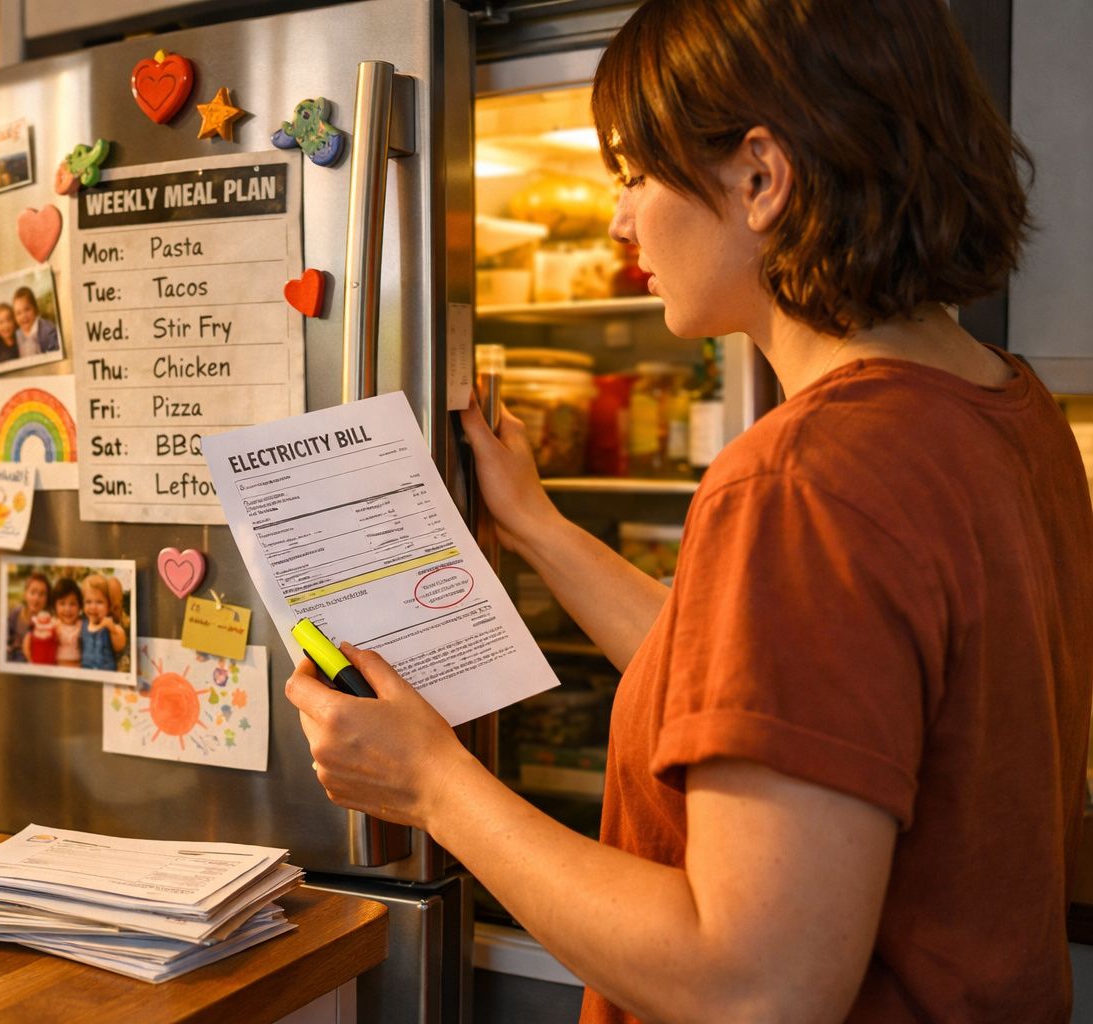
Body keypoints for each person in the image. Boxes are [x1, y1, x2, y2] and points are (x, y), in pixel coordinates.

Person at [285, 1, 1093, 1021]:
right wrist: (535, 525)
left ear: (761, 177)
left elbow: (753, 982)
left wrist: (433, 785)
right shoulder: (1009, 409)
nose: (620, 221)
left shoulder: (806, 478)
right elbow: (769, 685)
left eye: (633, 173)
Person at [79, 573, 128, 672]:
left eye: (99, 602)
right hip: (85, 671)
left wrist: (113, 630)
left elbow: (120, 646)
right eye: (88, 602)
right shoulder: (83, 624)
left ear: (109, 605)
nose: (93, 607)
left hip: (106, 672)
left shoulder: (109, 625)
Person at [4, 571, 49, 664]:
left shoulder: (48, 622)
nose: (36, 598)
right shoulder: (16, 613)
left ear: (46, 599)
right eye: (33, 592)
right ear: (25, 594)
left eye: (42, 594)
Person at [12, 287, 61, 358]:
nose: (23, 316)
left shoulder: (49, 331)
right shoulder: (17, 335)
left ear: (35, 308)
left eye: (27, 309)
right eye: (18, 313)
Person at [50, 576, 83, 668]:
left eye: (72, 604)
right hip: (57, 668)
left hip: (78, 669)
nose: (67, 609)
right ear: (55, 606)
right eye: (62, 603)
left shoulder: (82, 625)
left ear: (80, 606)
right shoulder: (53, 625)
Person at [0, 303, 21, 368]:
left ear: (14, 321)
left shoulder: (21, 341)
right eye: (1, 322)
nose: (6, 326)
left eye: (9, 320)